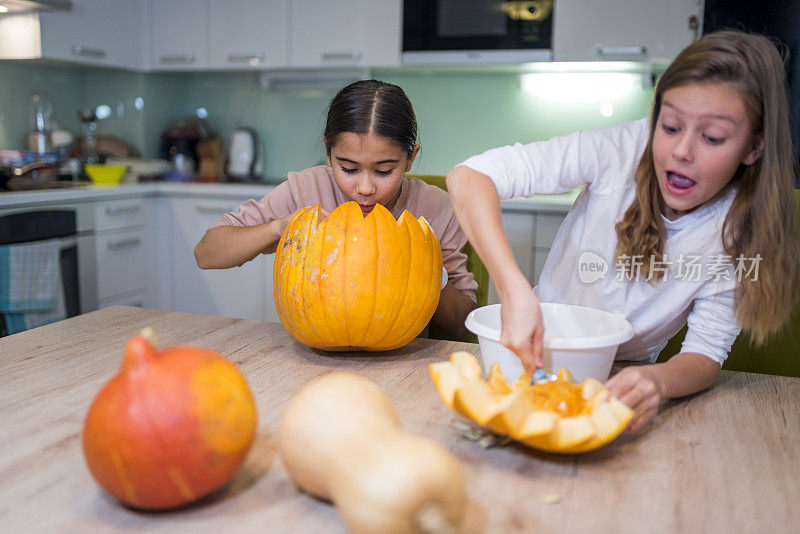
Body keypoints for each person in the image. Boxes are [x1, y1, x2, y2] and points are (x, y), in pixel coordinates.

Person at [445, 31, 800, 431]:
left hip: (622, 379)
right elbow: (468, 177)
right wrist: (514, 291)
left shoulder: (741, 229)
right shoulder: (619, 150)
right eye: (669, 126)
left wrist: (657, 380)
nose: (682, 151)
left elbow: (704, 354)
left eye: (712, 137)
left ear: (753, 148)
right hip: (531, 354)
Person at [195, 79, 478, 339]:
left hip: (403, 359)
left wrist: (427, 270)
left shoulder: (437, 208)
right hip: (313, 354)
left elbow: (462, 324)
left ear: (410, 159)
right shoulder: (305, 190)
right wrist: (278, 227)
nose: (365, 187)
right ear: (328, 153)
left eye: (384, 171)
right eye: (349, 168)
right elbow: (206, 254)